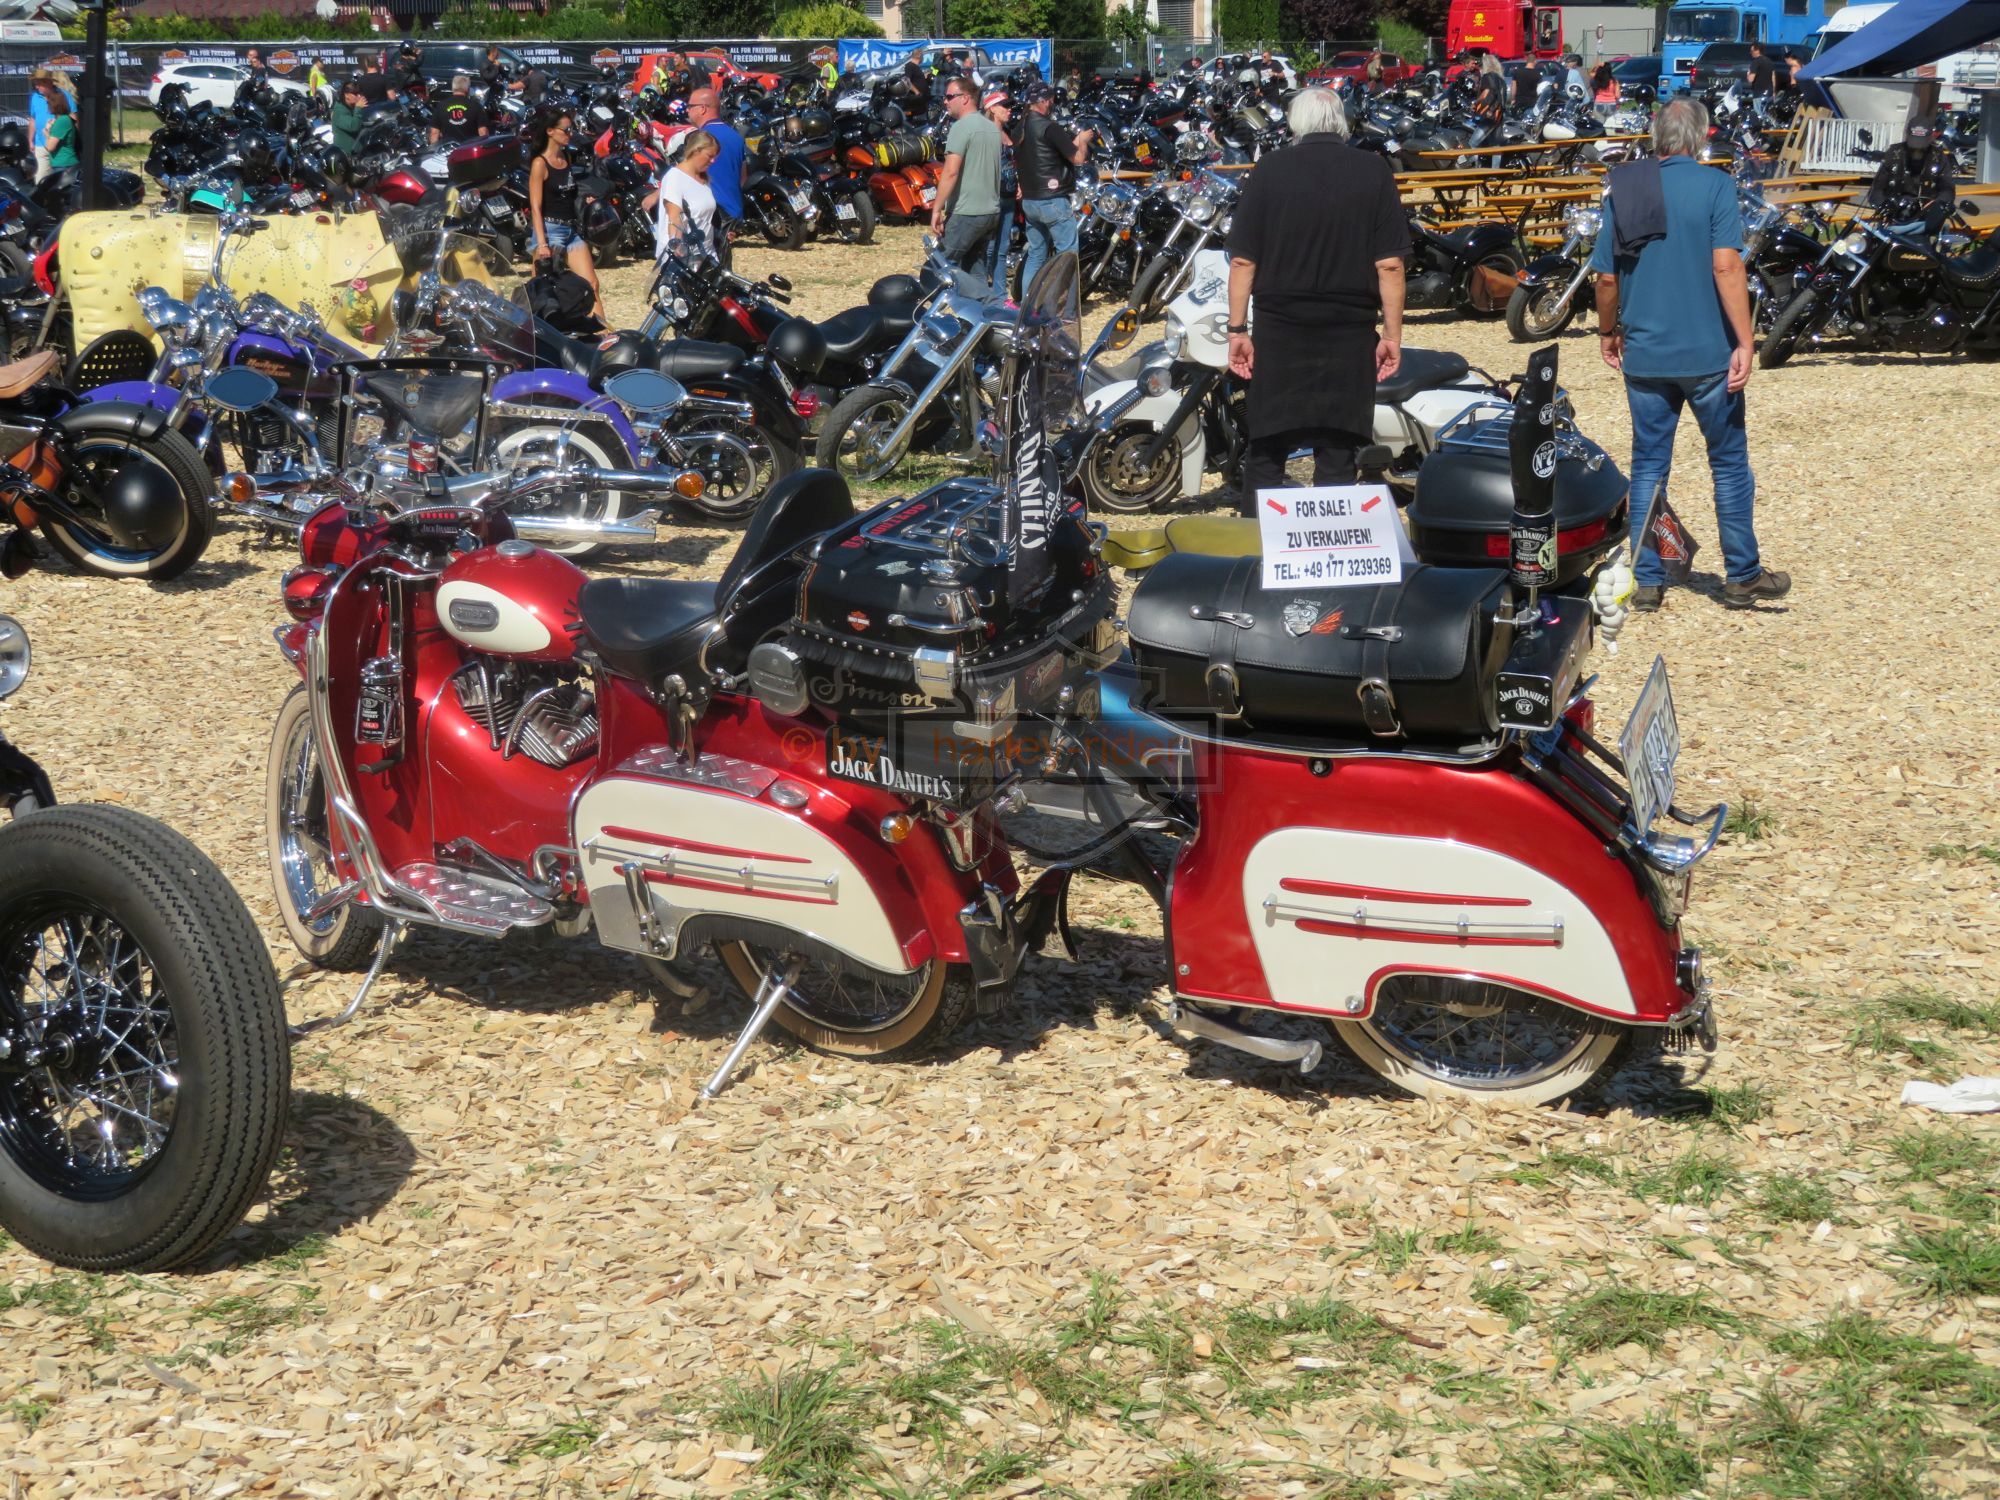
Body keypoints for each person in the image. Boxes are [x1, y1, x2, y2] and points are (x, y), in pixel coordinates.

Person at [1590, 98, 1789, 611]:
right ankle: (1742, 575)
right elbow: (1727, 266)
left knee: (1649, 465)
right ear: (1700, 138)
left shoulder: (1625, 187)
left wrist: (1607, 331)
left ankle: (1647, 580)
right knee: (1728, 463)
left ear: (1656, 135)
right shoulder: (1715, 185)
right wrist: (1745, 340)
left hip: (1646, 353)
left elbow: (1606, 277)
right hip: (1707, 354)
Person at [1223, 88, 1409, 515]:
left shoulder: (1270, 168)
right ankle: (1328, 545)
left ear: (1295, 124)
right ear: (1341, 122)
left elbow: (1243, 261)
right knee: (1338, 447)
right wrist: (1392, 336)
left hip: (1279, 327)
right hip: (1348, 329)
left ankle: (1256, 542)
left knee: (1267, 444)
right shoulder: (1373, 170)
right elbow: (1390, 265)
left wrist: (1237, 330)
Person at [1013, 82, 1092, 297]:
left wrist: (1074, 141)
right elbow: (1077, 159)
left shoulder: (1020, 127)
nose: (1052, 104)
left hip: (1030, 200)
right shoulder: (1050, 127)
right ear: (1044, 101)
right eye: (1050, 100)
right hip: (1053, 200)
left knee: (1036, 254)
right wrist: (1083, 141)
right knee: (1067, 255)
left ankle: (1027, 305)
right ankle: (1065, 306)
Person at [527, 110, 604, 323]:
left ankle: (605, 335)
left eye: (572, 129)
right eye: (566, 130)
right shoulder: (540, 164)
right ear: (550, 131)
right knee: (543, 294)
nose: (570, 133)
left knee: (592, 285)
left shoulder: (566, 157)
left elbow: (569, 194)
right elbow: (535, 207)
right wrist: (542, 244)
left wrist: (586, 200)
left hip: (571, 231)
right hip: (549, 232)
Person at [931, 74, 1004, 289]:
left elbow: (950, 172)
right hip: (990, 212)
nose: (945, 101)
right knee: (975, 271)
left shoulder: (961, 127)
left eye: (949, 96)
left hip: (967, 212)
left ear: (965, 98)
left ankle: (927, 310)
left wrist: (936, 209)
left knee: (936, 268)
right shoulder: (992, 128)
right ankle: (981, 309)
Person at [683, 86, 745, 248]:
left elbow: (686, 176)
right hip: (733, 212)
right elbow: (743, 177)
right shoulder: (736, 136)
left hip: (712, 215)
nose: (687, 110)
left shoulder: (699, 139)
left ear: (702, 109)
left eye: (690, 106)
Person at [1867, 116, 1955, 225]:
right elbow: (1877, 189)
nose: (1917, 150)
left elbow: (1948, 189)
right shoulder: (1894, 154)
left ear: (1929, 138)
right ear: (1907, 135)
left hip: (1924, 218)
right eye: (1913, 146)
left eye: (1921, 147)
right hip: (1893, 216)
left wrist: (1935, 207)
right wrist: (1883, 205)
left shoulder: (1939, 157)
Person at [649, 127, 718, 256]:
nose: (713, 161)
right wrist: (678, 249)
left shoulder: (704, 178)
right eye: (710, 156)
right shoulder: (675, 177)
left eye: (715, 157)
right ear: (696, 151)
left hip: (706, 254)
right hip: (683, 257)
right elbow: (674, 218)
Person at [430, 74, 487, 146]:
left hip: (449, 150)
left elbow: (434, 133)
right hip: (470, 149)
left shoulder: (441, 106)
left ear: (453, 88)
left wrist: (434, 150)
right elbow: (483, 132)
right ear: (467, 89)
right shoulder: (476, 106)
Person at [41, 84, 76, 175]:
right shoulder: (63, 120)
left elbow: (50, 147)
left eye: (48, 103)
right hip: (61, 164)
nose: (47, 106)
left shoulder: (62, 121)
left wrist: (46, 132)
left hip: (64, 165)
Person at [331, 76, 368, 157]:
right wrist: (358, 108)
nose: (359, 96)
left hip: (359, 152)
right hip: (347, 156)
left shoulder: (351, 107)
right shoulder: (340, 111)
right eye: (355, 94)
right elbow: (353, 126)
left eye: (360, 93)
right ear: (346, 95)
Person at [1473, 54, 1506, 119]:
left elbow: (1485, 95)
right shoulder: (1501, 79)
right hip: (1498, 113)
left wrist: (1474, 103)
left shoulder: (1487, 77)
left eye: (1481, 65)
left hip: (1486, 112)